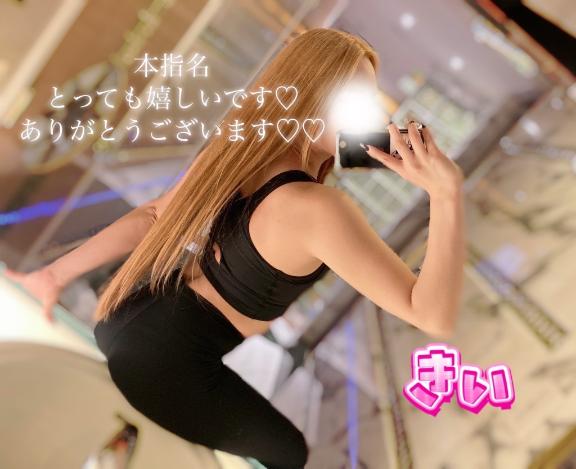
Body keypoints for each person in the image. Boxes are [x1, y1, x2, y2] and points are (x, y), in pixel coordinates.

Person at [5, 28, 465, 469]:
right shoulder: (318, 209)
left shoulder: (243, 150)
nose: (368, 116)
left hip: (132, 317)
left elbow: (153, 216)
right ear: (311, 97)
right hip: (165, 364)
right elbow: (431, 315)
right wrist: (447, 195)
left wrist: (53, 275)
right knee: (289, 454)